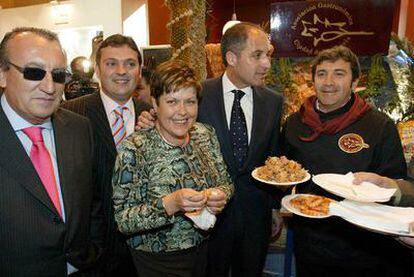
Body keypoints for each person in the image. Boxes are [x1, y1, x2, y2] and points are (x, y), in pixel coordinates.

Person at [137, 22, 284, 276]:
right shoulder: (198, 95)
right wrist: (149, 121)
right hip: (204, 221)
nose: (266, 64)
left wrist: (274, 207)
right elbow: (169, 121)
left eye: (268, 55)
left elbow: (271, 158)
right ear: (231, 58)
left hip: (255, 216)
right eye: (257, 55)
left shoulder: (273, 101)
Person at [282, 45, 412, 276]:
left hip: (363, 245)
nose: (328, 82)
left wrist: (382, 185)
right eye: (322, 74)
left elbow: (396, 183)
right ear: (313, 80)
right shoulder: (295, 123)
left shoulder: (379, 126)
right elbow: (284, 171)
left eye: (339, 74)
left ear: (354, 83)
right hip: (310, 239)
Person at [112, 59, 234, 277]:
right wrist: (171, 203)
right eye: (172, 101)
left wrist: (220, 195)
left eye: (190, 101)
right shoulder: (135, 148)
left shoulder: (204, 134)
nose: (183, 111)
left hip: (203, 250)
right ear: (155, 104)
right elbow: (123, 220)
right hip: (158, 259)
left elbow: (226, 181)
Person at [0, 27, 103, 276]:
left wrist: (93, 251)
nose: (49, 87)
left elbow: (93, 203)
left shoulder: (78, 128)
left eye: (58, 75)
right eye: (34, 73)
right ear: (2, 74)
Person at [62, 34, 150, 276]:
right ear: (98, 70)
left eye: (130, 64)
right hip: (92, 256)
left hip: (144, 253)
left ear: (139, 71)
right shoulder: (68, 114)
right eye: (112, 63)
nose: (122, 71)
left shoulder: (154, 115)